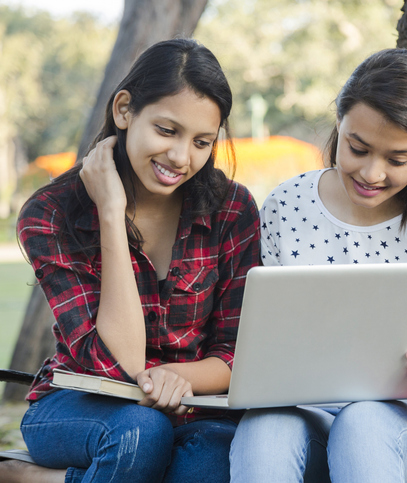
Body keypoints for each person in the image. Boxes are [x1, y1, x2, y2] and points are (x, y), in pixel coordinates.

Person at [229, 48, 407, 483]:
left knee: (363, 421)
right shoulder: (286, 206)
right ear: (338, 124)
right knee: (265, 427)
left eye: (397, 160)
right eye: (357, 148)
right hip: (312, 419)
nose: (372, 173)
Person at [0, 39, 259, 483]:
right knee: (141, 432)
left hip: (195, 405)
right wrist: (110, 215)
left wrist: (176, 377)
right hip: (79, 405)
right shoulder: (51, 214)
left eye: (201, 142)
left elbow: (239, 353)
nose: (181, 158)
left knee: (210, 463)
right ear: (124, 110)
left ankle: (43, 480)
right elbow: (117, 366)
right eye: (166, 130)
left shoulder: (231, 210)